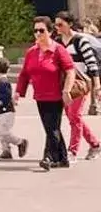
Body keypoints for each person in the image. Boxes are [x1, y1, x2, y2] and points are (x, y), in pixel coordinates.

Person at [16, 18, 75, 171]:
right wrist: (18, 92)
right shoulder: (31, 52)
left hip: (56, 96)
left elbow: (70, 70)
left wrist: (66, 90)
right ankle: (62, 158)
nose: (38, 34)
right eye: (35, 30)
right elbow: (24, 74)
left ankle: (48, 157)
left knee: (51, 128)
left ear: (50, 31)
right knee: (51, 128)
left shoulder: (58, 50)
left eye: (41, 30)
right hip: (40, 96)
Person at [53, 12, 101, 160]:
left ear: (70, 24)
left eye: (60, 24)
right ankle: (95, 144)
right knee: (73, 117)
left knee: (74, 116)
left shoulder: (80, 41)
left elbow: (92, 64)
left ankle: (72, 150)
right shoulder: (57, 41)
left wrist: (97, 84)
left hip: (80, 83)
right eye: (56, 25)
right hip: (65, 83)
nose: (57, 28)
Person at [0, 57, 27, 161]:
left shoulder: (2, 81)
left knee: (4, 132)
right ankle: (6, 151)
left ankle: (20, 142)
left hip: (6, 111)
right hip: (2, 110)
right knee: (1, 132)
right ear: (8, 69)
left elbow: (6, 96)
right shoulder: (1, 81)